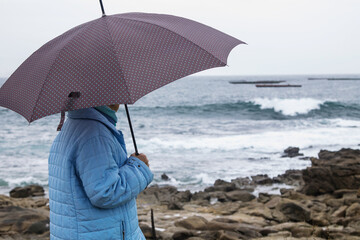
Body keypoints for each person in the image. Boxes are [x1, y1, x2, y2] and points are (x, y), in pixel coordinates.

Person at [48, 104, 153, 240]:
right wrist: (139, 169)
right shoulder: (94, 134)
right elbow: (105, 192)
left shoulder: (73, 126)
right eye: (115, 87)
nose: (120, 97)